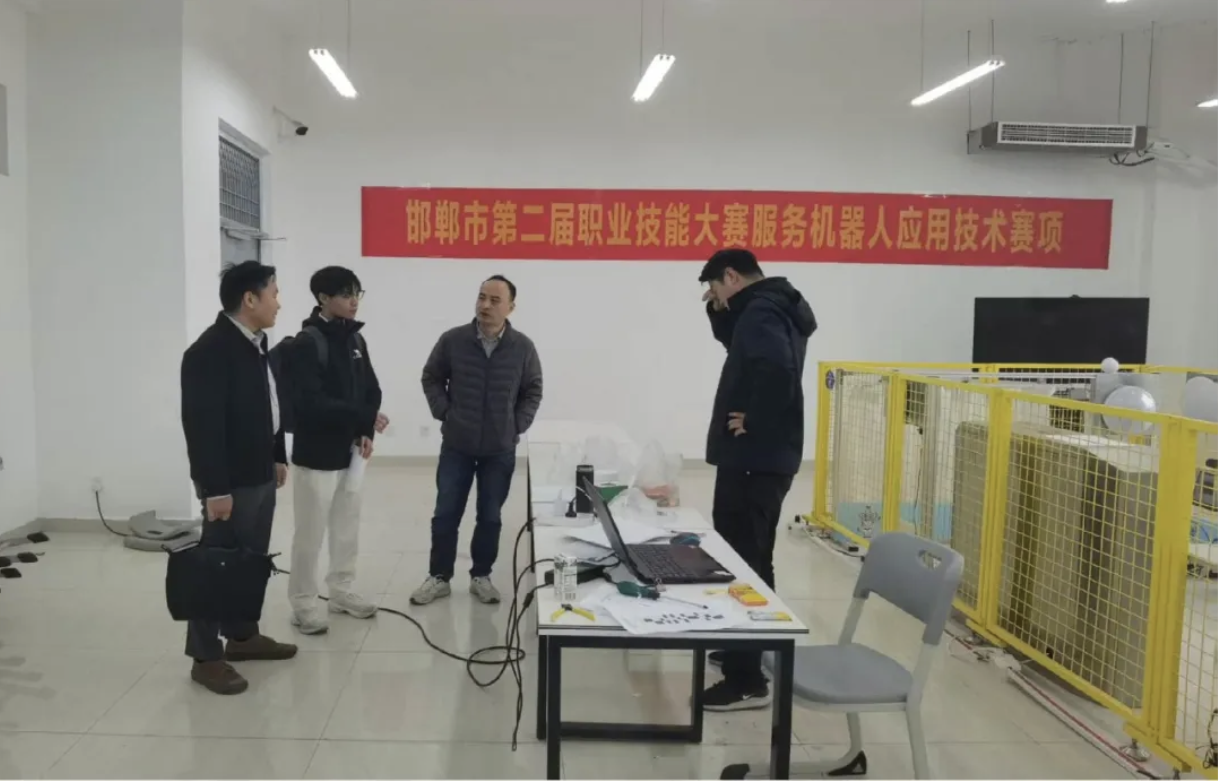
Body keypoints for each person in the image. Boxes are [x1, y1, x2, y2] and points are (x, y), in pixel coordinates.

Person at [697, 248, 817, 711]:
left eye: (715, 287)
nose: (715, 295)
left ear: (731, 275)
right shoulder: (771, 305)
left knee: (743, 559)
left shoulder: (762, 311)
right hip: (765, 457)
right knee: (752, 555)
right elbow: (741, 348)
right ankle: (747, 646)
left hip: (754, 456)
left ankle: (746, 679)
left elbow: (778, 370)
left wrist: (755, 420)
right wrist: (717, 310)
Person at [180, 261, 297, 695]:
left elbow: (269, 405)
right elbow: (202, 428)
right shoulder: (209, 351)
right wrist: (215, 490)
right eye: (274, 294)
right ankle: (205, 657)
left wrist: (277, 456)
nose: (278, 303)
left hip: (260, 472)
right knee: (217, 566)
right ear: (250, 299)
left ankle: (243, 636)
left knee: (250, 563)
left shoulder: (256, 344)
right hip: (230, 483)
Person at [411, 275, 544, 606]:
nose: (485, 305)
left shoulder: (523, 347)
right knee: (446, 513)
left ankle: (481, 576)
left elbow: (533, 390)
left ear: (511, 307)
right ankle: (439, 577)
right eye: (481, 297)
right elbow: (431, 377)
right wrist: (445, 412)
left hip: (499, 449)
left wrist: (516, 425)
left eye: (494, 300)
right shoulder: (453, 340)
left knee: (490, 516)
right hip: (457, 444)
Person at [285, 266, 386, 635]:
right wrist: (362, 415)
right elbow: (310, 403)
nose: (354, 301)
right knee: (310, 534)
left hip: (351, 452)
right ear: (323, 298)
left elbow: (371, 389)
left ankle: (341, 591)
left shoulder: (356, 339)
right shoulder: (307, 342)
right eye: (345, 294)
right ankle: (303, 603)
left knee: (347, 527)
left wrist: (365, 429)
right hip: (316, 455)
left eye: (357, 293)